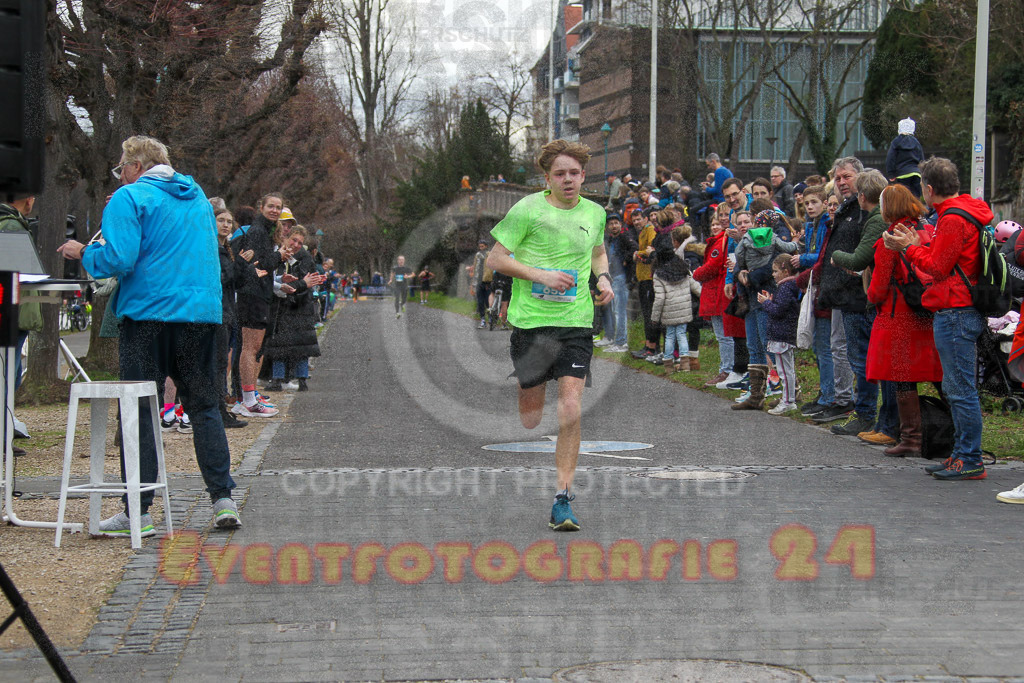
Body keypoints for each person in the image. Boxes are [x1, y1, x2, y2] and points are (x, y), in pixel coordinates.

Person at [58, 134, 240, 534]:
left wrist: (82, 253)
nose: (120, 175)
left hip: (149, 314)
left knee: (139, 410)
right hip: (202, 315)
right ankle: (223, 498)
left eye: (121, 168)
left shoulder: (131, 197)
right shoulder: (197, 198)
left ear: (135, 166)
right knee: (205, 406)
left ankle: (137, 511)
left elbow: (117, 259)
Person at [486, 139, 612, 532]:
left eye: (574, 173)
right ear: (547, 178)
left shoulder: (595, 212)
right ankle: (528, 389)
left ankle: (563, 498)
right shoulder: (527, 209)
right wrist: (541, 275)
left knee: (571, 405)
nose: (568, 180)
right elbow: (495, 259)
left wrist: (603, 276)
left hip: (576, 321)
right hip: (531, 323)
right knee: (530, 418)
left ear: (583, 176)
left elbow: (597, 252)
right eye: (560, 174)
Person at [883, 156, 994, 480]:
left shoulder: (953, 218)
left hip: (955, 311)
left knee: (960, 390)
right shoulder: (965, 212)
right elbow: (942, 259)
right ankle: (960, 454)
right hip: (958, 308)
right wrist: (919, 245)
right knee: (957, 387)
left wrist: (908, 246)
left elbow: (937, 267)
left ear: (929, 189)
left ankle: (969, 458)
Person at [865, 184, 943, 457]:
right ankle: (958, 435)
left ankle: (911, 439)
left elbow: (877, 288)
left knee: (903, 380)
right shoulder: (928, 230)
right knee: (941, 378)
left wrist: (868, 292)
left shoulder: (891, 238)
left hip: (898, 318)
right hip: (931, 314)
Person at [829, 169, 893, 442]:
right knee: (866, 360)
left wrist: (836, 256)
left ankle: (868, 414)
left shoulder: (874, 219)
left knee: (865, 360)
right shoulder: (863, 214)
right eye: (838, 178)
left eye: (848, 177)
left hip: (863, 298)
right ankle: (876, 417)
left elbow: (859, 257)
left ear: (864, 194)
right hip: (859, 296)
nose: (843, 183)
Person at [232, 192, 285, 417]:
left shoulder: (267, 231)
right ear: (261, 206)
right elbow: (256, 264)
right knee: (249, 347)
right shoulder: (257, 231)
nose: (274, 210)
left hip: (261, 293)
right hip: (252, 294)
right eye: (270, 206)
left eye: (278, 207)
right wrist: (279, 256)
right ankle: (247, 399)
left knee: (256, 348)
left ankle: (250, 395)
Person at [0, 193, 40, 457]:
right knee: (7, 379)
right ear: (28, 200)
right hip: (11, 313)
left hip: (12, 313)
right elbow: (18, 271)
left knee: (9, 377)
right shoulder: (12, 225)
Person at [265, 225, 324, 390]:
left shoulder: (305, 258)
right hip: (281, 306)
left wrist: (296, 287)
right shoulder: (279, 255)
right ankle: (277, 379)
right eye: (294, 240)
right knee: (279, 345)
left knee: (302, 346)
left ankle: (302, 379)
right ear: (286, 238)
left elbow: (309, 283)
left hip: (300, 307)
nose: (296, 245)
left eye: (300, 242)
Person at [214, 208, 255, 428]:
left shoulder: (227, 249)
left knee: (222, 361)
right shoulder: (212, 249)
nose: (226, 225)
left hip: (228, 311)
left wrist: (246, 268)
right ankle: (218, 410)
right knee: (218, 362)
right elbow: (220, 278)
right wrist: (239, 264)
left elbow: (234, 281)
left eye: (229, 222)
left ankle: (221, 409)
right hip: (216, 312)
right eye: (221, 220)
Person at [694, 204, 734, 386]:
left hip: (719, 292)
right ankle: (727, 369)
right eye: (714, 223)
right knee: (724, 335)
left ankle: (727, 370)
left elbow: (713, 265)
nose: (717, 225)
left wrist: (696, 273)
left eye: (722, 219)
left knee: (724, 335)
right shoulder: (721, 239)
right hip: (717, 291)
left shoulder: (721, 241)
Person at [650, 227, 702, 372]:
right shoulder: (683, 268)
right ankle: (685, 364)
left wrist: (654, 317)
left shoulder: (658, 274)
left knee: (670, 337)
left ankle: (668, 366)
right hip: (685, 311)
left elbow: (659, 298)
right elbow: (695, 286)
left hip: (668, 312)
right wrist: (705, 298)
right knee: (682, 335)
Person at [759, 255, 801, 414]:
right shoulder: (789, 287)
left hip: (782, 335)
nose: (773, 274)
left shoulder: (785, 288)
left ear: (785, 271)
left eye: (776, 271)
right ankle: (788, 398)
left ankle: (788, 401)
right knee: (787, 370)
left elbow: (778, 311)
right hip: (785, 334)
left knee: (785, 371)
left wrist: (766, 303)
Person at [598, 213, 634, 352]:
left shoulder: (625, 237)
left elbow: (633, 248)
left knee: (619, 311)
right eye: (611, 224)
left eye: (616, 223)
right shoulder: (612, 240)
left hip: (621, 277)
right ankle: (615, 339)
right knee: (614, 310)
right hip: (613, 277)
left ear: (620, 224)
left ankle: (621, 342)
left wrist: (624, 260)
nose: (613, 226)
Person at [886, 117, 925, 199]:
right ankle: (916, 210)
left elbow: (891, 158)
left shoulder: (896, 142)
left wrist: (891, 173)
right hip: (916, 173)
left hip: (902, 174)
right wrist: (923, 172)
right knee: (915, 197)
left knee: (903, 198)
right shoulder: (916, 142)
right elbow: (921, 158)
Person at [471, 240, 490, 328]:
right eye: (480, 246)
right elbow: (475, 267)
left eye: (482, 246)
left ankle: (490, 317)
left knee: (487, 301)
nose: (481, 248)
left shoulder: (489, 254)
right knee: (480, 301)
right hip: (478, 281)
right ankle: (482, 319)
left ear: (486, 246)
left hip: (487, 281)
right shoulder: (477, 255)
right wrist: (473, 281)